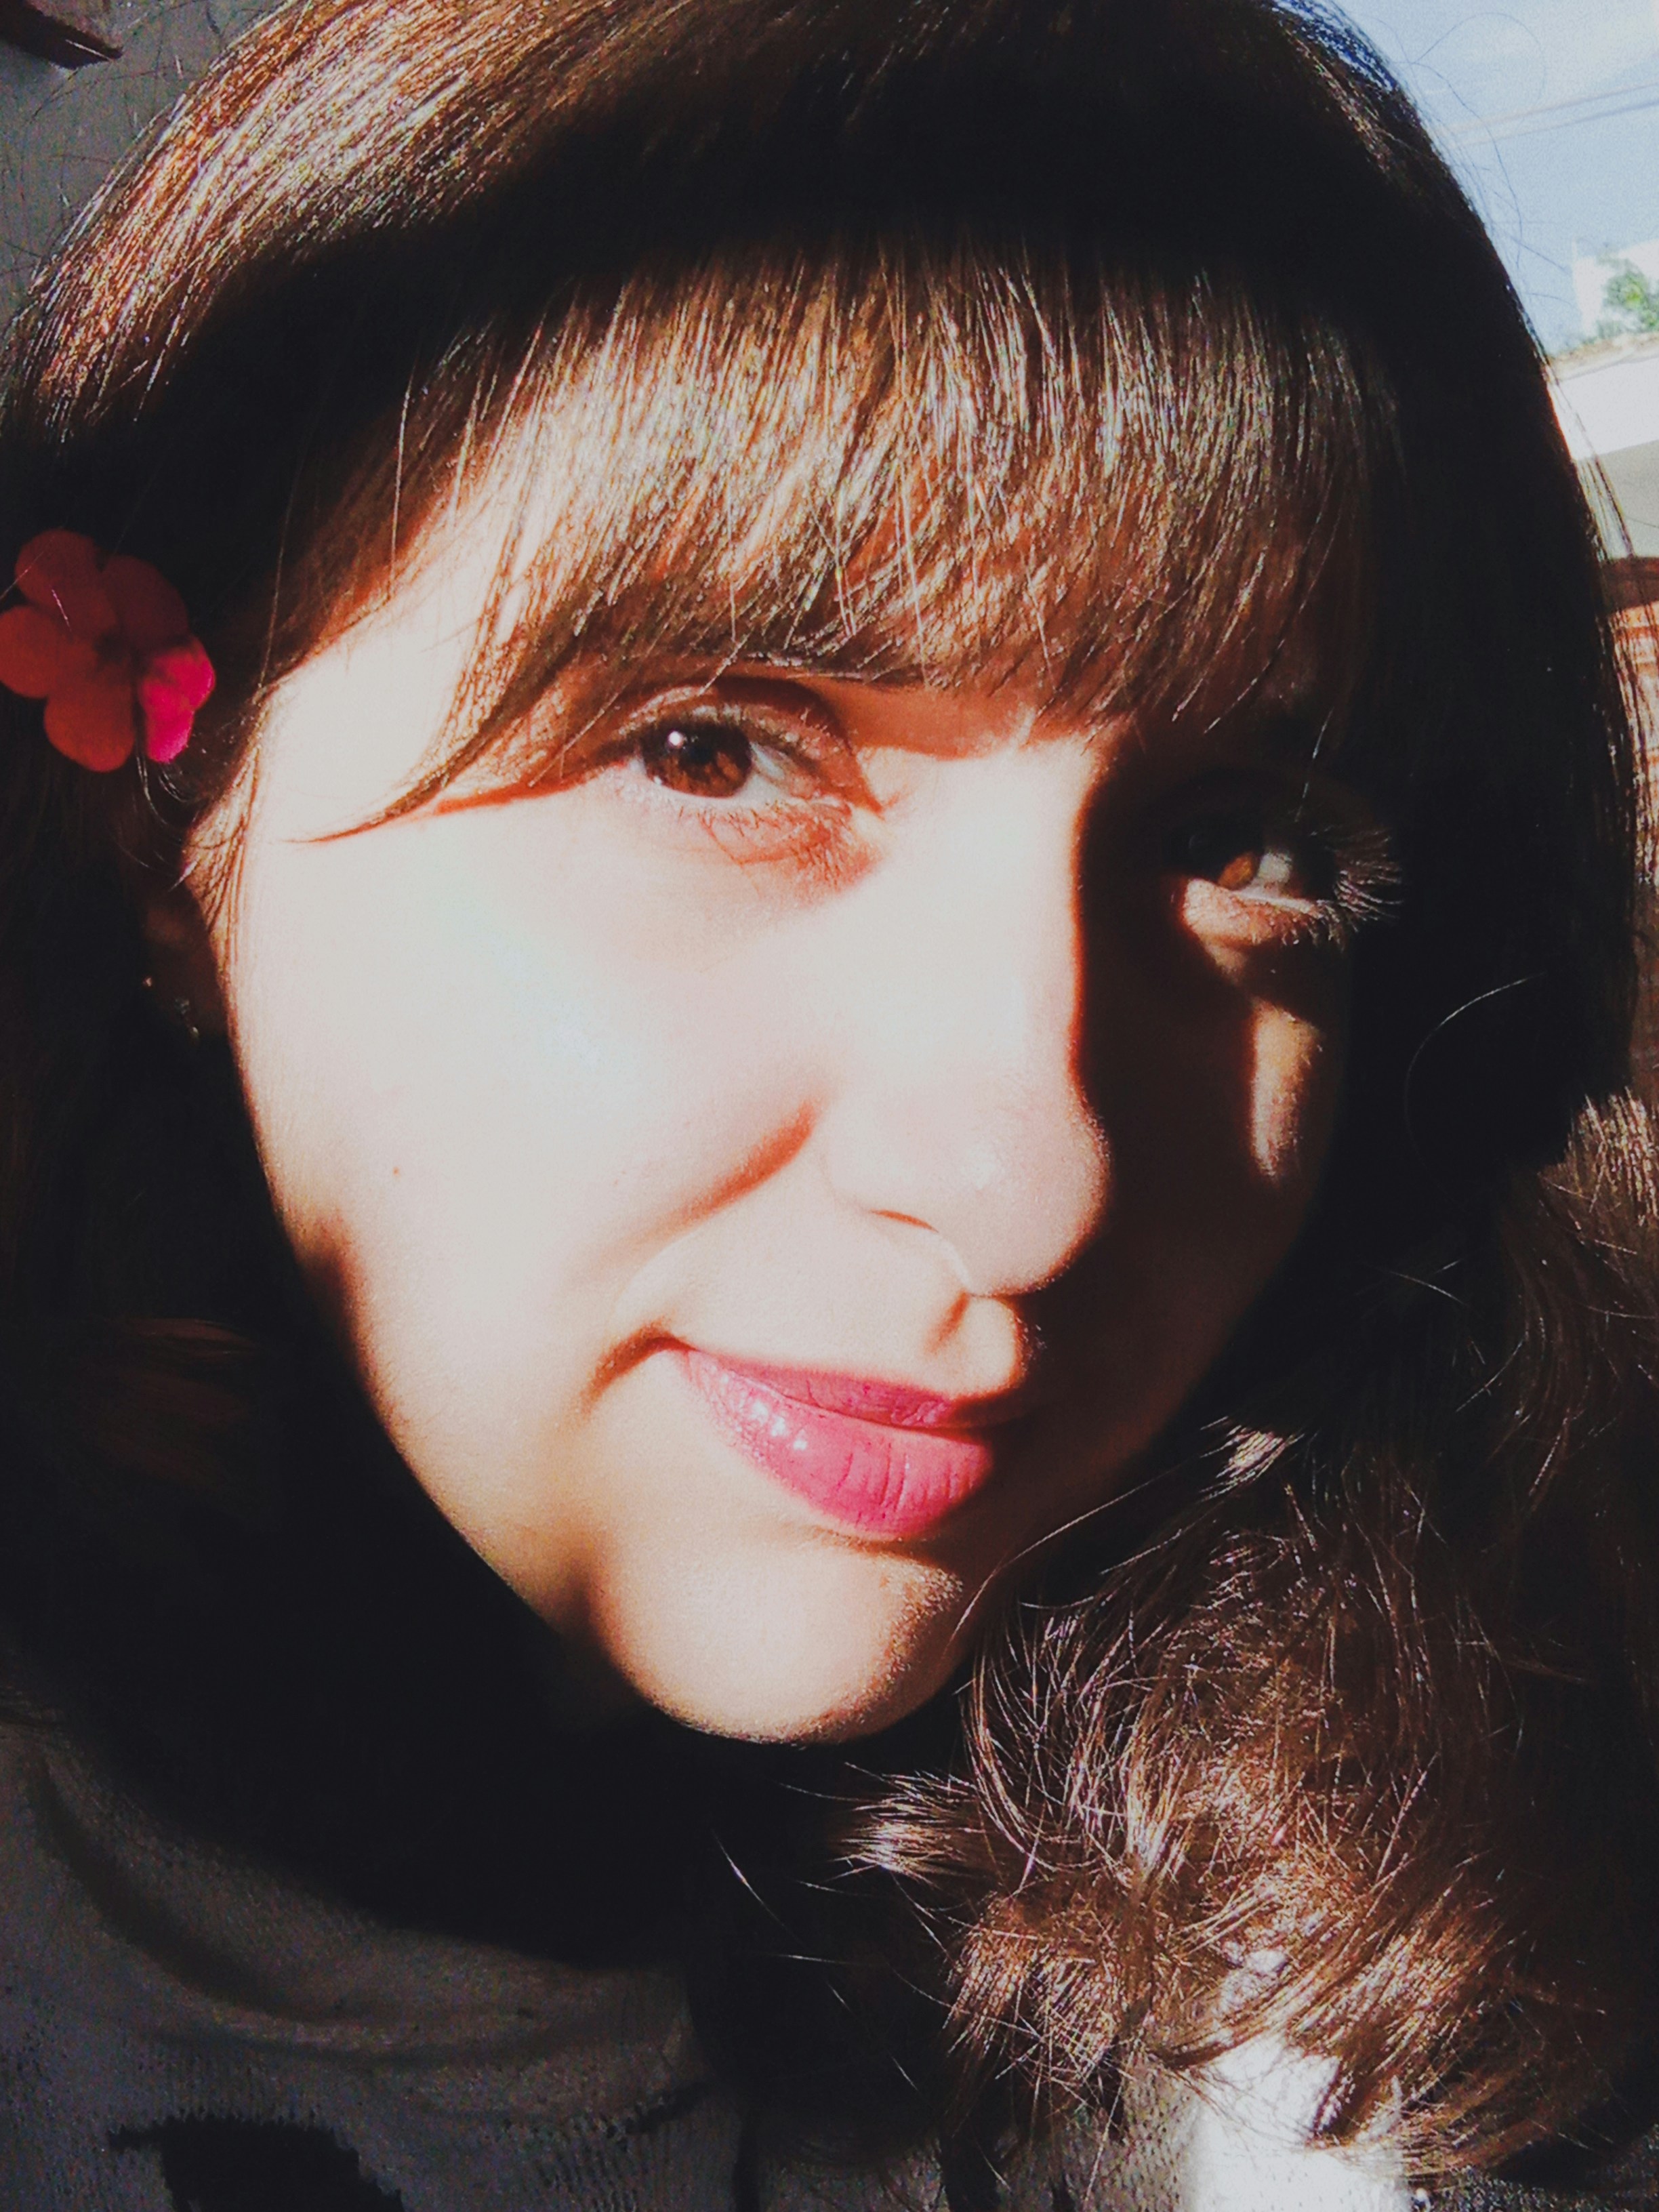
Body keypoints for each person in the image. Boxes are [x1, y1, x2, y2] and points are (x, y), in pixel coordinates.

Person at [0, 1, 1653, 2207]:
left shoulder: (1463, 1917)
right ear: (169, 826)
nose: (1035, 1187)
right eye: (716, 753)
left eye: (1246, 844)